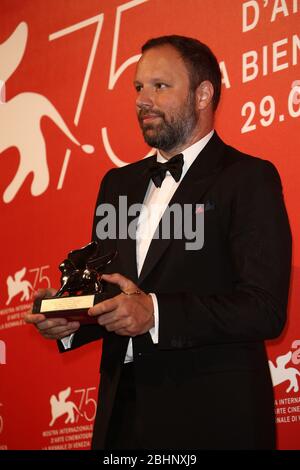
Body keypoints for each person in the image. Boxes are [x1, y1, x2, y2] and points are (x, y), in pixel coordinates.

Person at [25, 35, 292, 450]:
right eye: (138, 87)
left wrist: (157, 313)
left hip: (212, 418)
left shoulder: (248, 178)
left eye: (160, 86)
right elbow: (112, 292)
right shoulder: (117, 184)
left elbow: (264, 307)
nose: (142, 100)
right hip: (122, 420)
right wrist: (70, 321)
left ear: (203, 94)